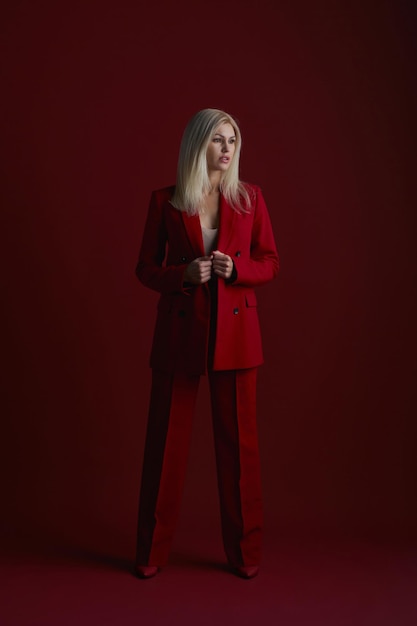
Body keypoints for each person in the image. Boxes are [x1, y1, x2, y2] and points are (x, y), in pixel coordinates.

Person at [134, 108, 279, 579]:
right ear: (198, 144)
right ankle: (151, 552)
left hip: (237, 336)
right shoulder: (166, 201)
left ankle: (246, 554)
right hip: (181, 329)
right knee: (166, 446)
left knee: (241, 451)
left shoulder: (251, 198)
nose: (227, 149)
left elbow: (271, 261)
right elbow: (145, 268)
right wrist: (183, 275)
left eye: (232, 140)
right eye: (218, 139)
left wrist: (237, 271)